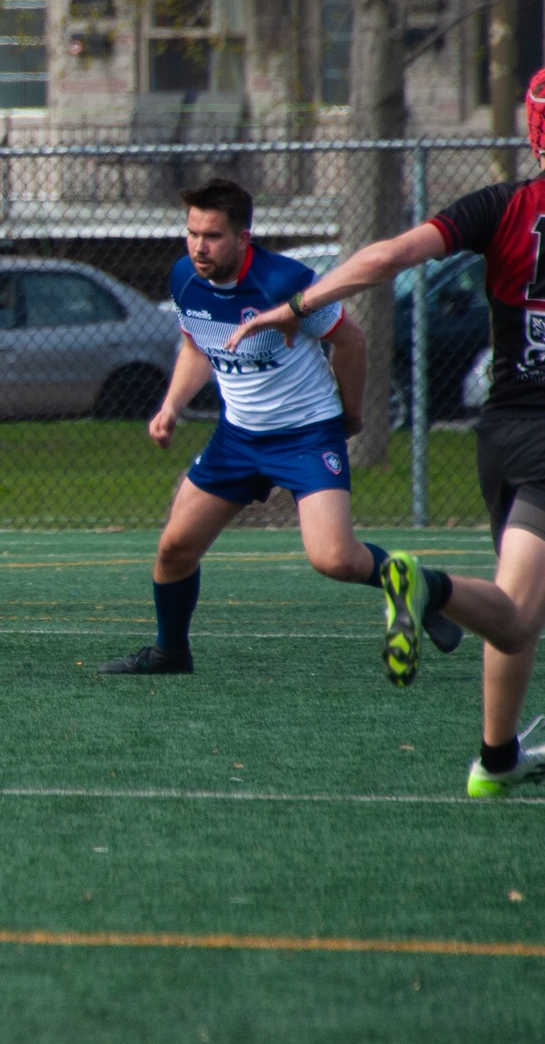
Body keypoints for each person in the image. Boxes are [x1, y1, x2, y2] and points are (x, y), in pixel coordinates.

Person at [226, 83, 545, 797]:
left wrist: (300, 304)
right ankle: (428, 587)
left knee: (515, 608)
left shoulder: (503, 206)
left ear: (534, 132)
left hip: (504, 434)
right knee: (518, 611)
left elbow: (388, 256)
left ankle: (496, 760)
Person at [100, 178, 468, 676]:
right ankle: (171, 653)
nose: (198, 247)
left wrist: (351, 415)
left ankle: (422, 586)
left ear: (242, 238)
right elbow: (196, 346)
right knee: (175, 548)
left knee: (335, 559)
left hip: (305, 435)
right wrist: (170, 406)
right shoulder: (185, 278)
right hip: (237, 437)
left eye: (212, 236)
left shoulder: (283, 282)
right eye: (192, 233)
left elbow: (352, 341)